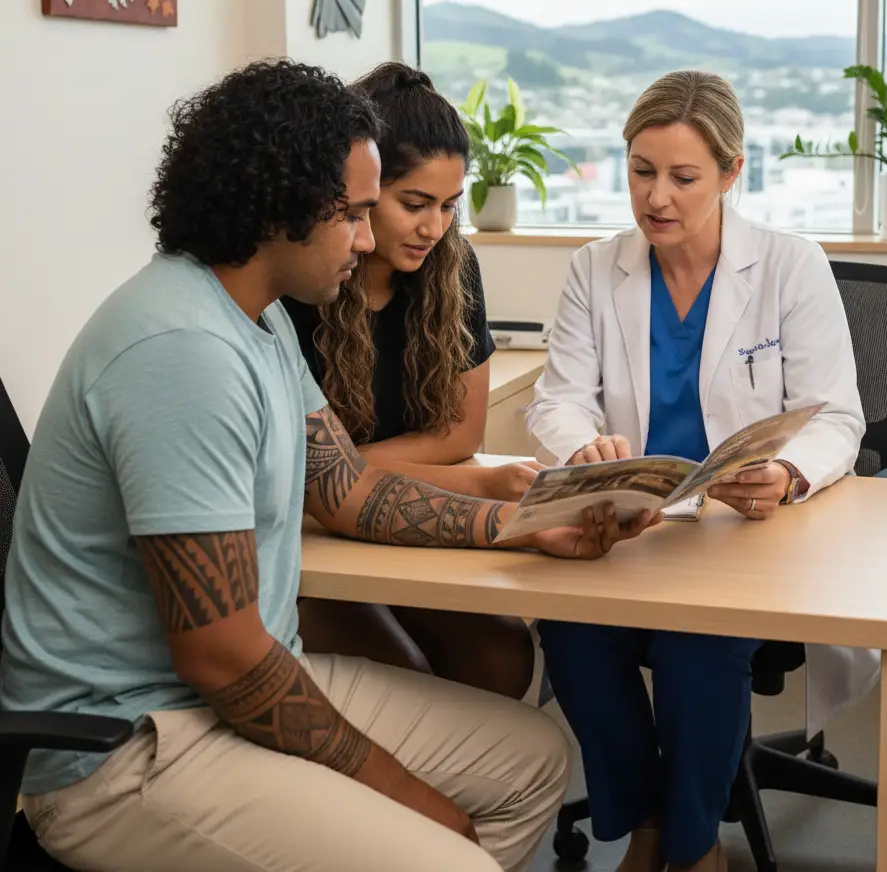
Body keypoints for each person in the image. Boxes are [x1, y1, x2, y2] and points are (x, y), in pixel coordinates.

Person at [0, 60, 656, 872]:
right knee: (455, 852)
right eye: (351, 214)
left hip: (225, 699)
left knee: (532, 763)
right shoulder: (183, 353)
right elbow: (223, 656)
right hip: (131, 749)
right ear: (280, 207)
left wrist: (520, 527)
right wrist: (416, 802)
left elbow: (347, 492)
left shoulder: (261, 320)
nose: (368, 236)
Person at [526, 70, 873, 872]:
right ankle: (645, 822)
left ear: (730, 173)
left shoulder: (790, 266)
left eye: (683, 177)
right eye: (641, 171)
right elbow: (557, 402)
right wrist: (584, 449)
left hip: (743, 538)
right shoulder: (595, 267)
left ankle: (688, 852)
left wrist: (785, 473)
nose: (657, 198)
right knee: (573, 634)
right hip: (634, 532)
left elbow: (839, 418)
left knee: (698, 644)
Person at [282, 62, 537, 701]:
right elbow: (293, 482)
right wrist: (334, 483)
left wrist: (343, 474)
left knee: (502, 654)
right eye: (414, 204)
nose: (435, 227)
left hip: (379, 519)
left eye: (450, 205)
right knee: (405, 675)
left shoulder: (452, 267)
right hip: (308, 548)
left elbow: (459, 432)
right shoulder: (302, 284)